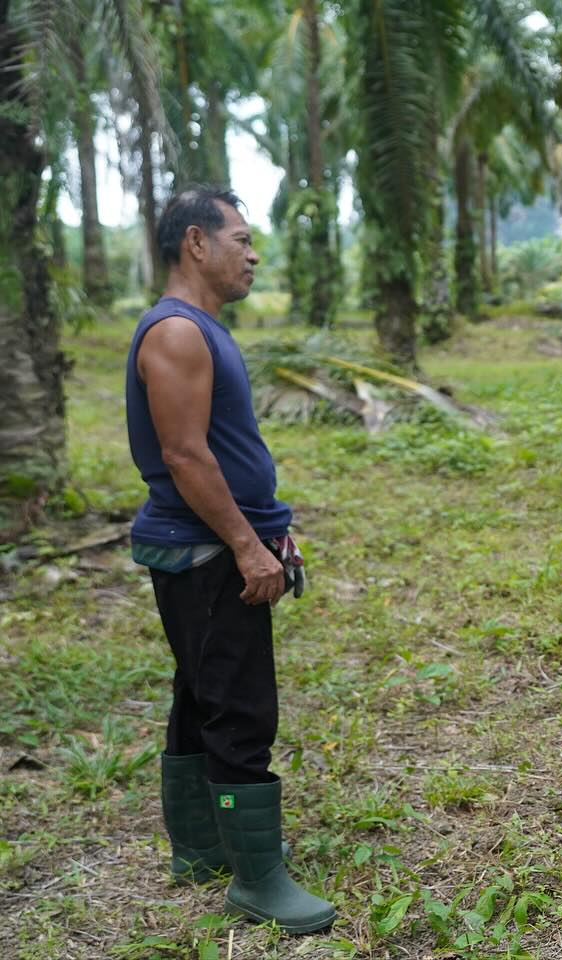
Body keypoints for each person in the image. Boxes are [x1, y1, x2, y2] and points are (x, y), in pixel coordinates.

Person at [126, 186, 335, 934]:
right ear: (196, 243)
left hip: (212, 543)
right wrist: (248, 546)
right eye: (241, 239)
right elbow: (184, 455)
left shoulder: (199, 328)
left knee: (201, 691)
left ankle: (201, 848)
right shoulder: (178, 333)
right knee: (240, 707)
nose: (253, 255)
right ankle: (257, 880)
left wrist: (268, 530)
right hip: (208, 550)